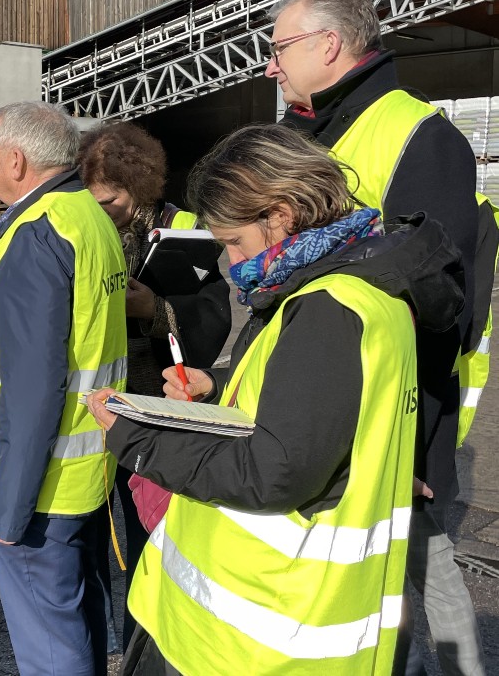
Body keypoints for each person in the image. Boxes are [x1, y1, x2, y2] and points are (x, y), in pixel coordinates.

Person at [87, 124, 465, 675]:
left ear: (282, 215)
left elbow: (274, 471)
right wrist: (219, 387)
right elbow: (316, 410)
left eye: (235, 242)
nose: (234, 264)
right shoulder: (349, 286)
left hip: (268, 632)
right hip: (272, 619)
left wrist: (136, 437)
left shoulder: (328, 307)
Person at [265, 0, 486, 675]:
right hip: (312, 401)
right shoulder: (300, 134)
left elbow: (440, 304)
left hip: (390, 416)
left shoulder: (420, 136)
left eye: (278, 48)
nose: (269, 65)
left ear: (328, 45)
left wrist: (412, 447)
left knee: (425, 561)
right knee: (355, 582)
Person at [0, 101, 128, 675]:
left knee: (50, 640)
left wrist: (10, 512)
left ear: (18, 161)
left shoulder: (37, 235)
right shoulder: (84, 213)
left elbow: (32, 390)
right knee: (78, 617)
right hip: (83, 471)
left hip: (39, 488)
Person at [77, 122, 232, 651]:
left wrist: (155, 308)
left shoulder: (183, 228)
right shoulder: (76, 225)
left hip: (153, 408)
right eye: (92, 199)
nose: (103, 210)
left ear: (140, 188)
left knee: (150, 542)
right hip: (90, 405)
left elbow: (213, 320)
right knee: (88, 544)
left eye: (112, 200)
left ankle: (141, 649)